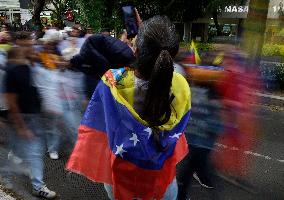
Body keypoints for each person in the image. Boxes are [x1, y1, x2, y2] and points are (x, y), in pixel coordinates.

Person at [67, 16, 191, 199]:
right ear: (171, 55)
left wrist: (141, 39)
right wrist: (147, 38)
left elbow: (98, 126)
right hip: (160, 179)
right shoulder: (181, 85)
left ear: (136, 50)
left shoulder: (112, 83)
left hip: (121, 177)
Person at [4, 47, 56, 199]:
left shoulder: (28, 69)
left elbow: (34, 93)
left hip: (31, 118)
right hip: (23, 119)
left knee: (29, 152)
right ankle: (37, 186)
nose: (35, 53)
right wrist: (21, 127)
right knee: (33, 153)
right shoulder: (12, 71)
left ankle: (21, 166)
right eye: (30, 50)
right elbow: (11, 101)